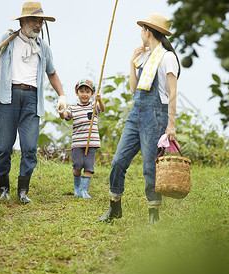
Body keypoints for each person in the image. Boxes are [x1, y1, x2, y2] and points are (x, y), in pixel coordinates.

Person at [98, 13, 180, 224]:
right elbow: (133, 89)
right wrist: (132, 63)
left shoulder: (167, 57)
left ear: (148, 32)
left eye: (142, 29)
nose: (140, 33)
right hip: (136, 113)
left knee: (150, 166)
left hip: (156, 115)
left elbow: (172, 93)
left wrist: (171, 124)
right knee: (118, 161)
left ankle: (154, 213)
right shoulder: (144, 57)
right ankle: (114, 205)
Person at [0, 2, 66, 205]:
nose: (38, 25)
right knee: (4, 147)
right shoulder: (8, 38)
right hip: (9, 97)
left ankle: (23, 191)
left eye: (41, 22)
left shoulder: (43, 47)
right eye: (35, 20)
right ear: (24, 21)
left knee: (29, 148)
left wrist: (62, 95)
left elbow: (51, 72)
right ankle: (3, 188)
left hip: (32, 100)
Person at [58, 79, 105, 199]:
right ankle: (77, 188)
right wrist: (61, 110)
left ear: (92, 94)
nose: (84, 94)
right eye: (81, 91)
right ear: (76, 93)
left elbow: (102, 108)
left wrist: (99, 100)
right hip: (78, 143)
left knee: (89, 166)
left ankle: (84, 191)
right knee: (78, 165)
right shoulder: (73, 107)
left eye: (88, 91)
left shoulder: (94, 106)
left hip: (92, 143)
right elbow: (65, 116)